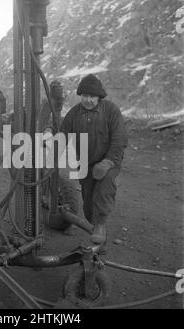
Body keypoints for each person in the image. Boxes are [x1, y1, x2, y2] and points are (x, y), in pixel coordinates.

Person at [60, 74, 128, 244]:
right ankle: (94, 221)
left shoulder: (111, 110)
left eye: (92, 96)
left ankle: (101, 224)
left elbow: (120, 139)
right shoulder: (74, 114)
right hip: (85, 162)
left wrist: (107, 162)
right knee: (89, 205)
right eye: (84, 96)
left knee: (104, 189)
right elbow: (62, 134)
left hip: (108, 161)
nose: (88, 100)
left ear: (99, 96)